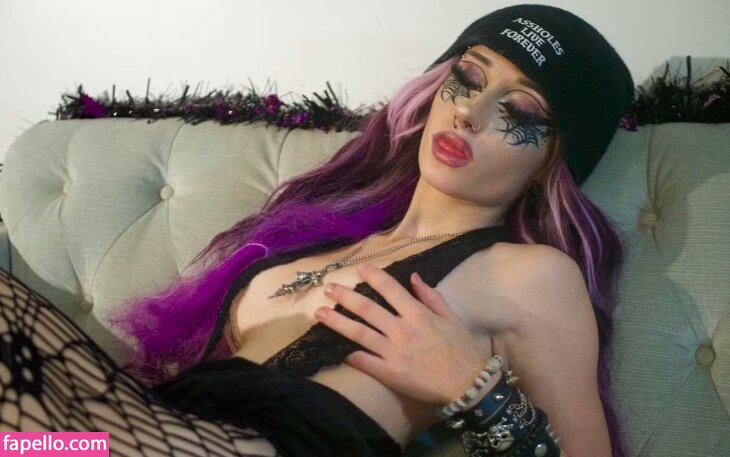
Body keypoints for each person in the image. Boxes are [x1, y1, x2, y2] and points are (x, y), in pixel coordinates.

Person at [0, 4, 634, 457]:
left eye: (519, 112)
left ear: (552, 161)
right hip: (155, 432)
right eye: (468, 78)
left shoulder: (531, 276)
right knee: (25, 444)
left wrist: (476, 392)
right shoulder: (323, 239)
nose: (470, 111)